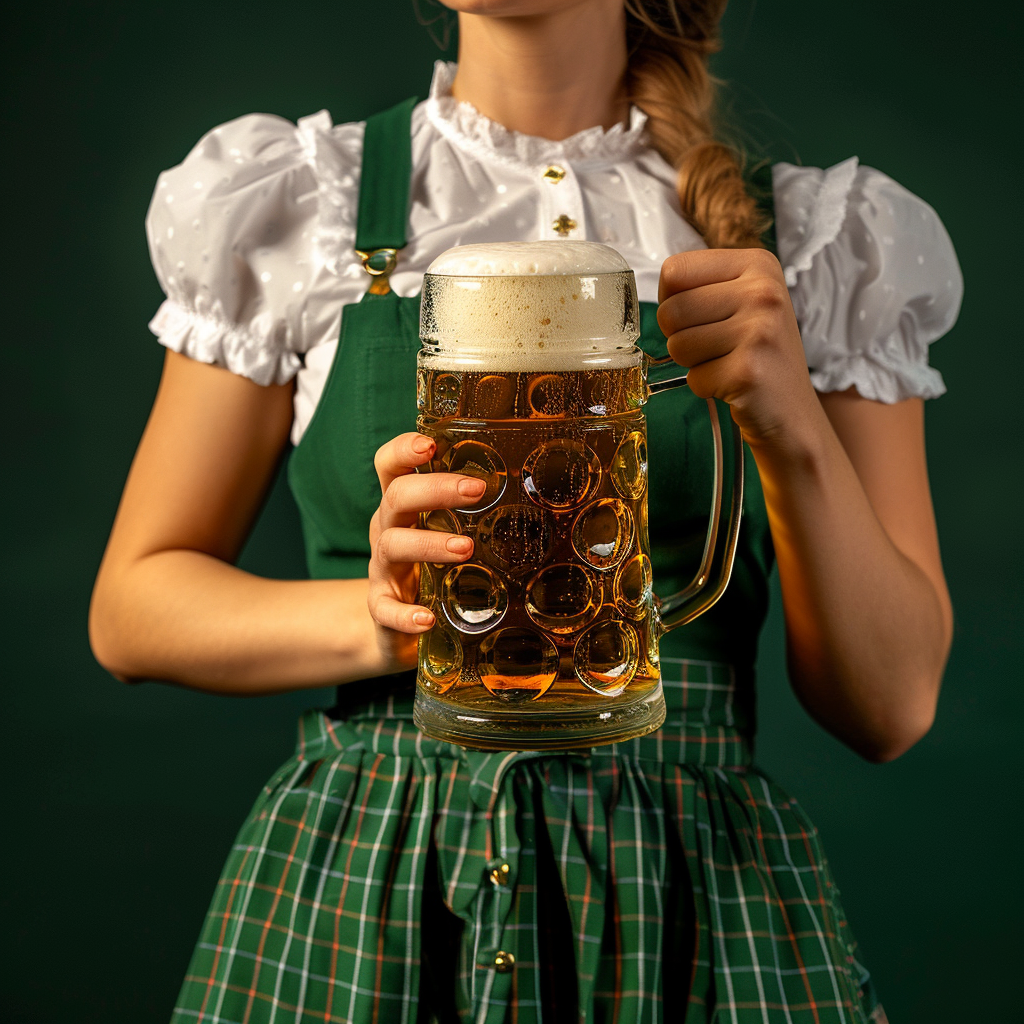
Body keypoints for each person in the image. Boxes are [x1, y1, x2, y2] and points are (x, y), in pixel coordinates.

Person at [89, 1, 961, 1021]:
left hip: (687, 895)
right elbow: (132, 608)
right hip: (370, 881)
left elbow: (891, 706)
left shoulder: (818, 244)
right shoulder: (298, 201)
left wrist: (796, 432)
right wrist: (383, 618)